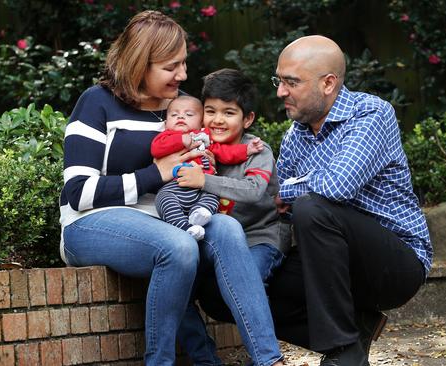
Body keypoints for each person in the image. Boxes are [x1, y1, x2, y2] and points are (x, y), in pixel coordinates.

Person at [59, 10, 283, 366]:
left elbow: (220, 153)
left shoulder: (182, 108)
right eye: (171, 67)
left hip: (167, 217)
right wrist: (156, 173)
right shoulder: (96, 103)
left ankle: (269, 359)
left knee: (226, 228)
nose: (183, 75)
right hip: (92, 222)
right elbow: (79, 192)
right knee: (178, 247)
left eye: (183, 64)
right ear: (139, 64)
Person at [267, 35, 434, 366]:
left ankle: (342, 353)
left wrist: (285, 191)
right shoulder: (295, 135)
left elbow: (336, 186)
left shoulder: (370, 114)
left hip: (394, 263)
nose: (280, 92)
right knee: (230, 290)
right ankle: (357, 332)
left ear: (328, 83)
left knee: (313, 207)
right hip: (329, 265)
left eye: (291, 82)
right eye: (279, 80)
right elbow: (280, 211)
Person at [174, 68, 291, 364]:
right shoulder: (198, 149)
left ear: (247, 118)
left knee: (245, 280)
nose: (217, 120)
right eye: (210, 111)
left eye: (229, 112)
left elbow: (253, 190)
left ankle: (265, 359)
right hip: (210, 242)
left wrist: (204, 180)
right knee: (174, 289)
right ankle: (206, 360)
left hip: (259, 239)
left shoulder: (256, 150)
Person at [151, 95, 263, 240]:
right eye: (174, 114)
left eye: (188, 114)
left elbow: (225, 152)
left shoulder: (204, 137)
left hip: (202, 186)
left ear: (201, 121)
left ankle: (199, 215)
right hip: (175, 186)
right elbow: (156, 149)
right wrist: (181, 139)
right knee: (163, 199)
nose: (180, 117)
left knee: (212, 197)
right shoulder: (166, 136)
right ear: (166, 122)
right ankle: (185, 227)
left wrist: (246, 150)